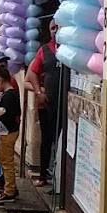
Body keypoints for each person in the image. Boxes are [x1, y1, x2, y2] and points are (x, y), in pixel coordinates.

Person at [25, 18, 60, 186]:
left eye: (58, 27)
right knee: (47, 139)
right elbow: (31, 74)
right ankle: (43, 175)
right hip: (47, 104)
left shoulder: (72, 50)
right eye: (52, 28)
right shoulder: (44, 50)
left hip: (66, 105)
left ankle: (60, 178)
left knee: (62, 140)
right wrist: (39, 91)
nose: (55, 30)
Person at [0, 62, 22, 203]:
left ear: (0, 80)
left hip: (6, 132)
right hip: (12, 131)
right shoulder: (14, 93)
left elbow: (4, 115)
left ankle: (9, 190)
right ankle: (11, 187)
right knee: (6, 160)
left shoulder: (8, 96)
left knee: (6, 161)